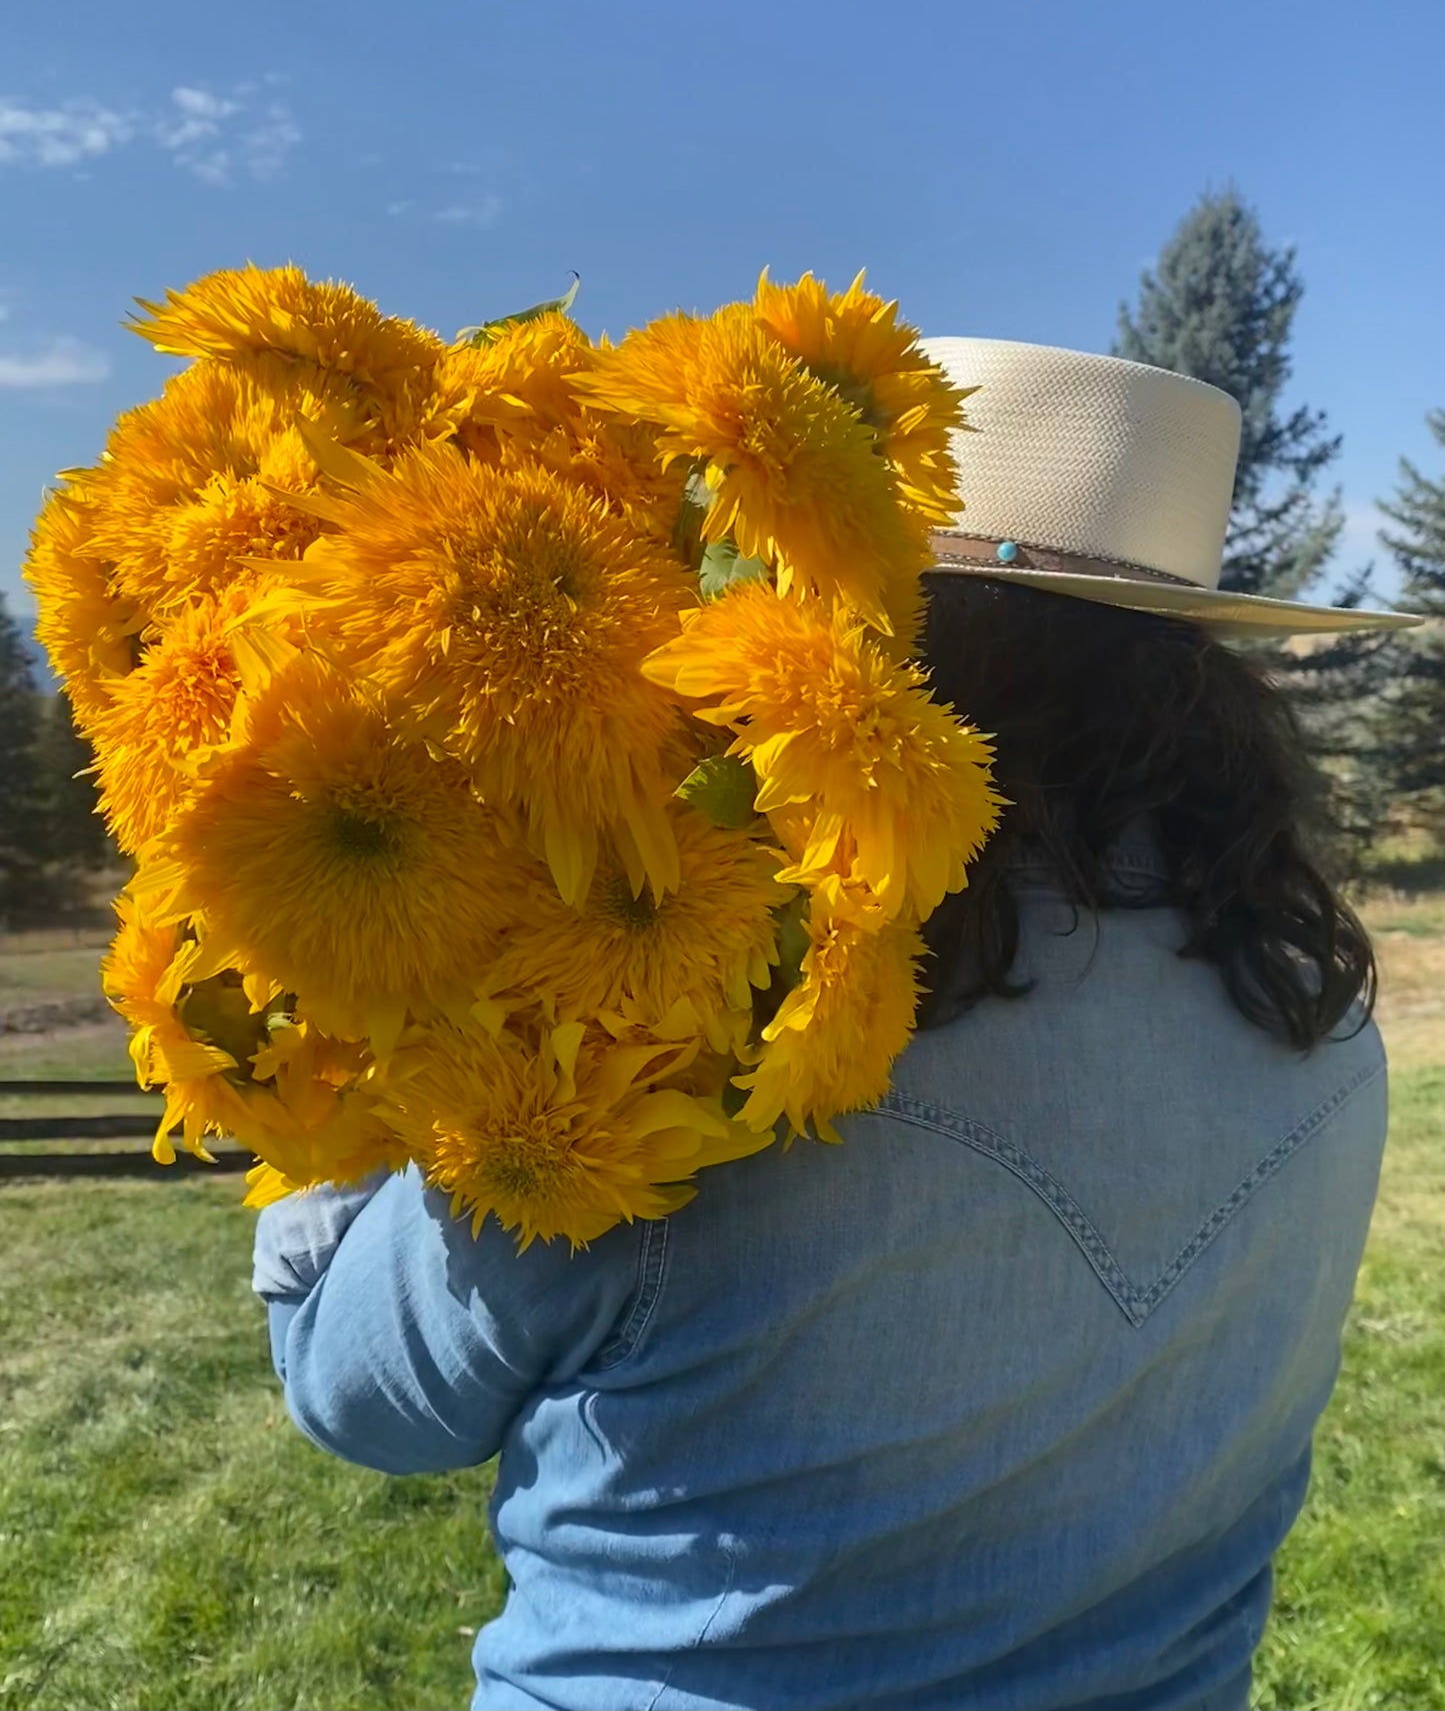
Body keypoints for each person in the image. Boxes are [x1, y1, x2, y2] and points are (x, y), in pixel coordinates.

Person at [253, 339, 1421, 1711]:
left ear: (851, 630)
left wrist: (321, 1041)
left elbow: (367, 1398)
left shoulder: (703, 1029)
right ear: (1202, 688)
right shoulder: (1315, 1028)